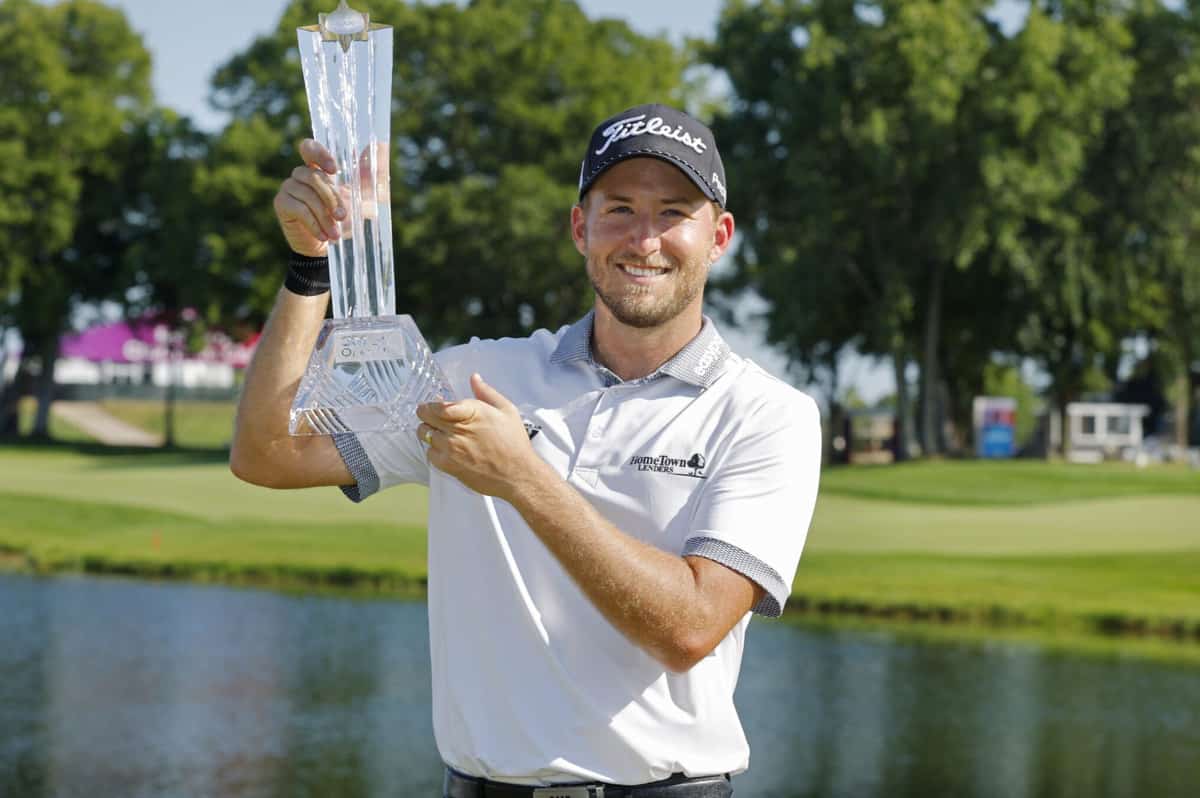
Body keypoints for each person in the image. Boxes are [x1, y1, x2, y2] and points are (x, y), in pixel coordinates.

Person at [231, 103, 821, 797]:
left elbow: (689, 629)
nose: (644, 238)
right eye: (620, 208)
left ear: (717, 236)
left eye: (673, 213)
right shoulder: (473, 377)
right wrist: (311, 267)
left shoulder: (768, 415)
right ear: (581, 228)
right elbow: (267, 452)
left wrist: (522, 477)